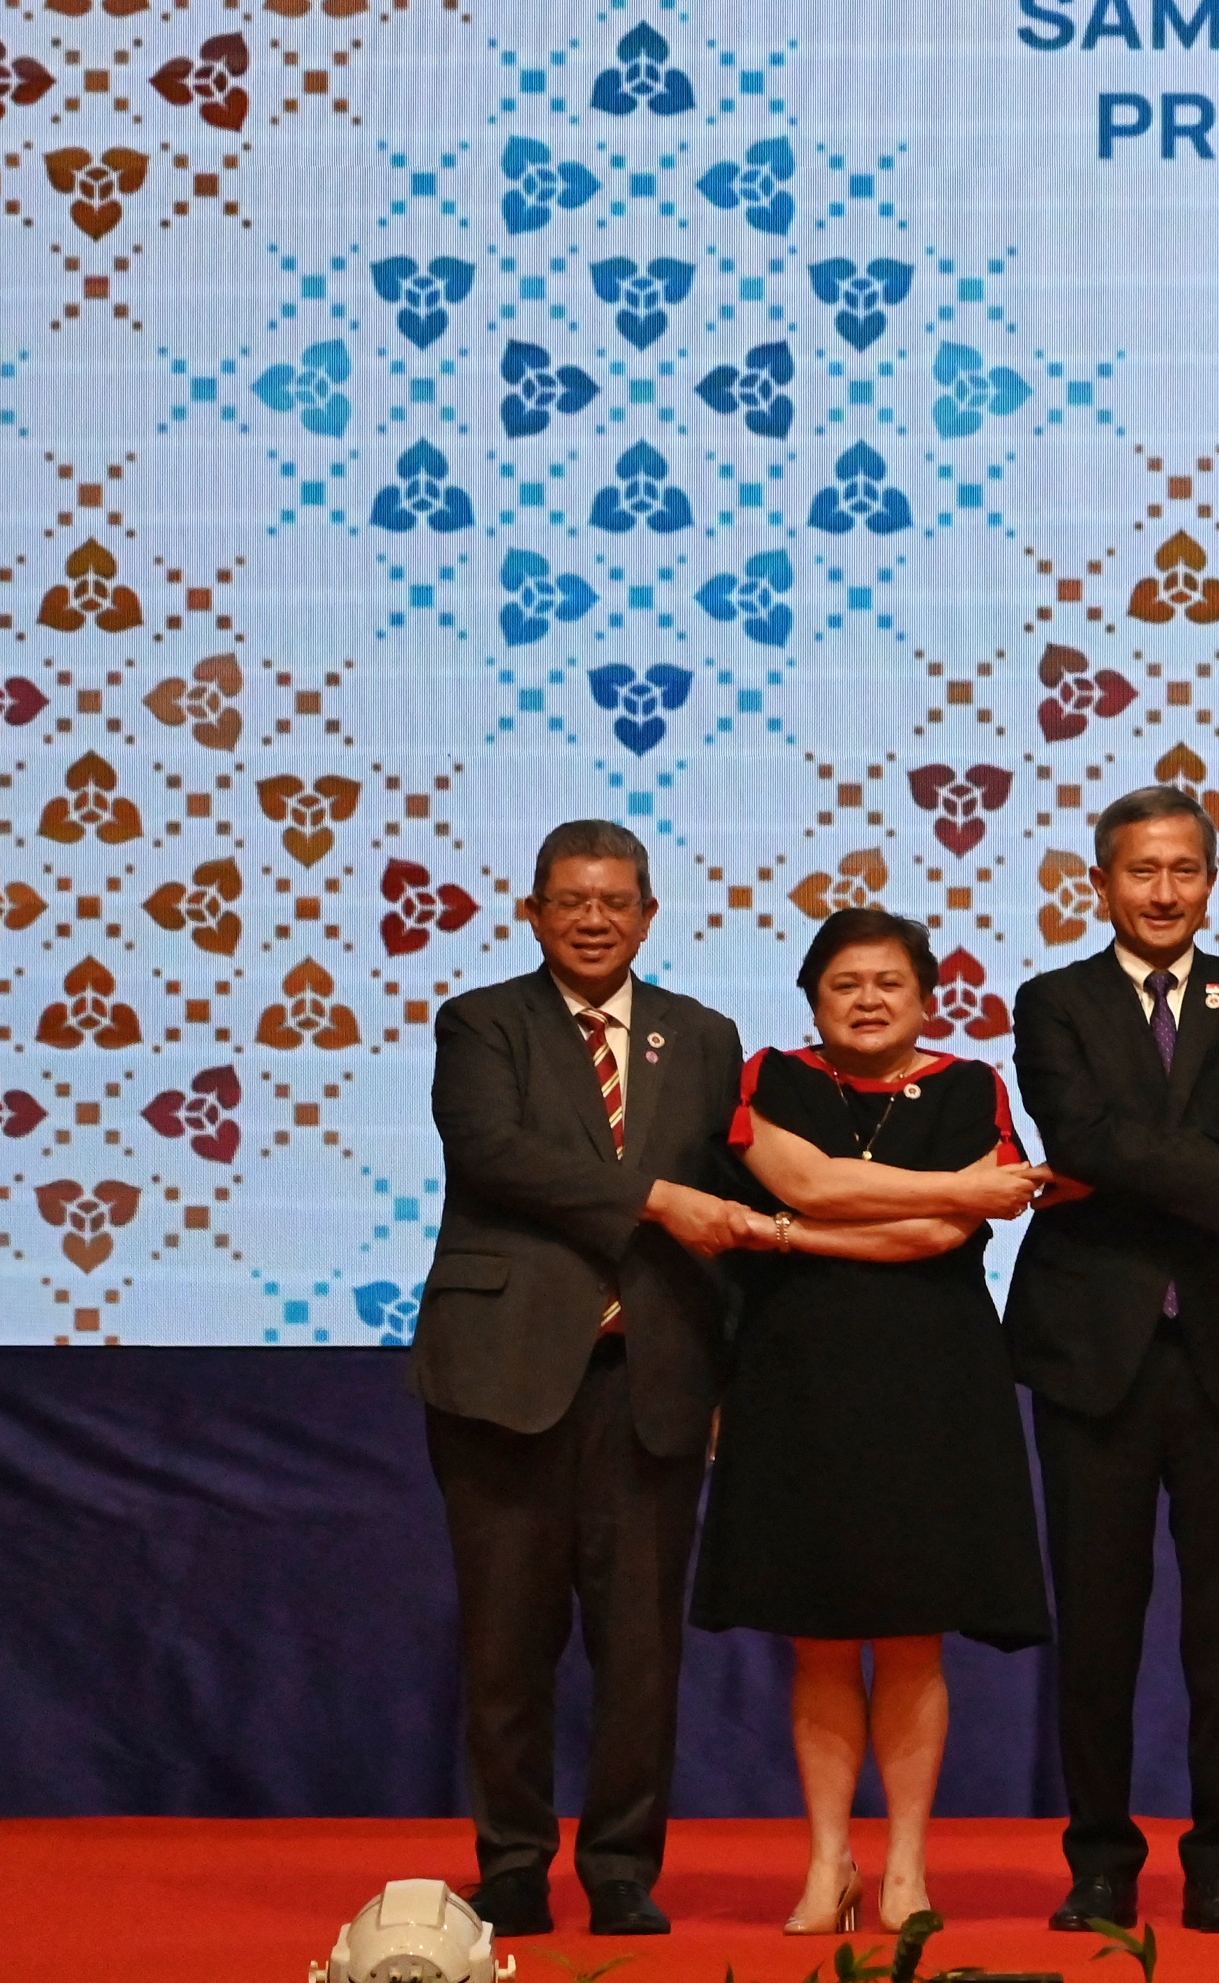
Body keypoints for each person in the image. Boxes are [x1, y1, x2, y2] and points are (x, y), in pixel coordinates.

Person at [412, 820, 764, 1940]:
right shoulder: (482, 1023)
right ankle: (514, 1865)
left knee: (642, 1649)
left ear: (649, 916)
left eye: (615, 901)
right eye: (571, 901)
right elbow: (495, 1155)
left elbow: (728, 1203)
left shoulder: (702, 1037)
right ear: (533, 913)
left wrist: (729, 1375)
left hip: (655, 1375)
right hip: (503, 1376)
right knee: (506, 1643)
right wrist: (652, 1200)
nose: (594, 920)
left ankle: (621, 1869)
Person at [1004, 783, 1219, 1938]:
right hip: (1092, 1350)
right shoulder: (1053, 1000)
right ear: (1099, 882)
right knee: (1097, 1629)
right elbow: (1078, 1135)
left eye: (1183, 869)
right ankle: (1099, 1865)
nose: (1162, 891)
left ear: (1212, 880)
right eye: (1140, 870)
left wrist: (1172, 1163)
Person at [692, 904, 1059, 1936]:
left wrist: (785, 1231)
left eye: (889, 982)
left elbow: (939, 1236)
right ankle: (827, 1863)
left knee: (911, 1639)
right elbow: (806, 1178)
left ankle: (905, 1869)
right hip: (796, 1382)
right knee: (817, 1639)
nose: (867, 999)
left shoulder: (973, 1086)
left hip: (934, 1387)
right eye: (844, 982)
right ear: (813, 997)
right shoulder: (771, 1076)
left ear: (928, 998)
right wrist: (838, 1207)